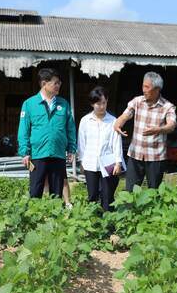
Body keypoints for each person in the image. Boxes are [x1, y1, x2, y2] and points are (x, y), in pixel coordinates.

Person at [18, 68, 76, 198]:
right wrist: (25, 152)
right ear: (44, 83)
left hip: (58, 153)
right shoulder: (29, 104)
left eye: (59, 83)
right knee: (35, 190)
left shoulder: (64, 104)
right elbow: (23, 130)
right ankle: (34, 216)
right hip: (38, 154)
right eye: (55, 83)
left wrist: (71, 148)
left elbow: (70, 128)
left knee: (57, 192)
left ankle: (55, 216)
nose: (58, 85)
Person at [113, 71, 176, 191]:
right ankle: (129, 210)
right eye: (143, 86)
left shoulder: (167, 106)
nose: (144, 90)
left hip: (155, 156)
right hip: (135, 154)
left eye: (147, 87)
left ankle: (151, 210)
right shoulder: (137, 101)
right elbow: (125, 115)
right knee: (130, 190)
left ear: (157, 89)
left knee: (154, 190)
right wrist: (118, 124)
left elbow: (172, 125)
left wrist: (159, 129)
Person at [78, 86, 124, 212]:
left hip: (109, 162)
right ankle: (93, 221)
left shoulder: (113, 121)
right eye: (98, 104)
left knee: (107, 195)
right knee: (92, 195)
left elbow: (116, 143)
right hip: (90, 162)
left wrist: (118, 162)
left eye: (104, 103)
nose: (101, 106)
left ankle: (108, 224)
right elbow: (82, 143)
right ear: (92, 104)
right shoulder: (85, 121)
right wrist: (81, 161)